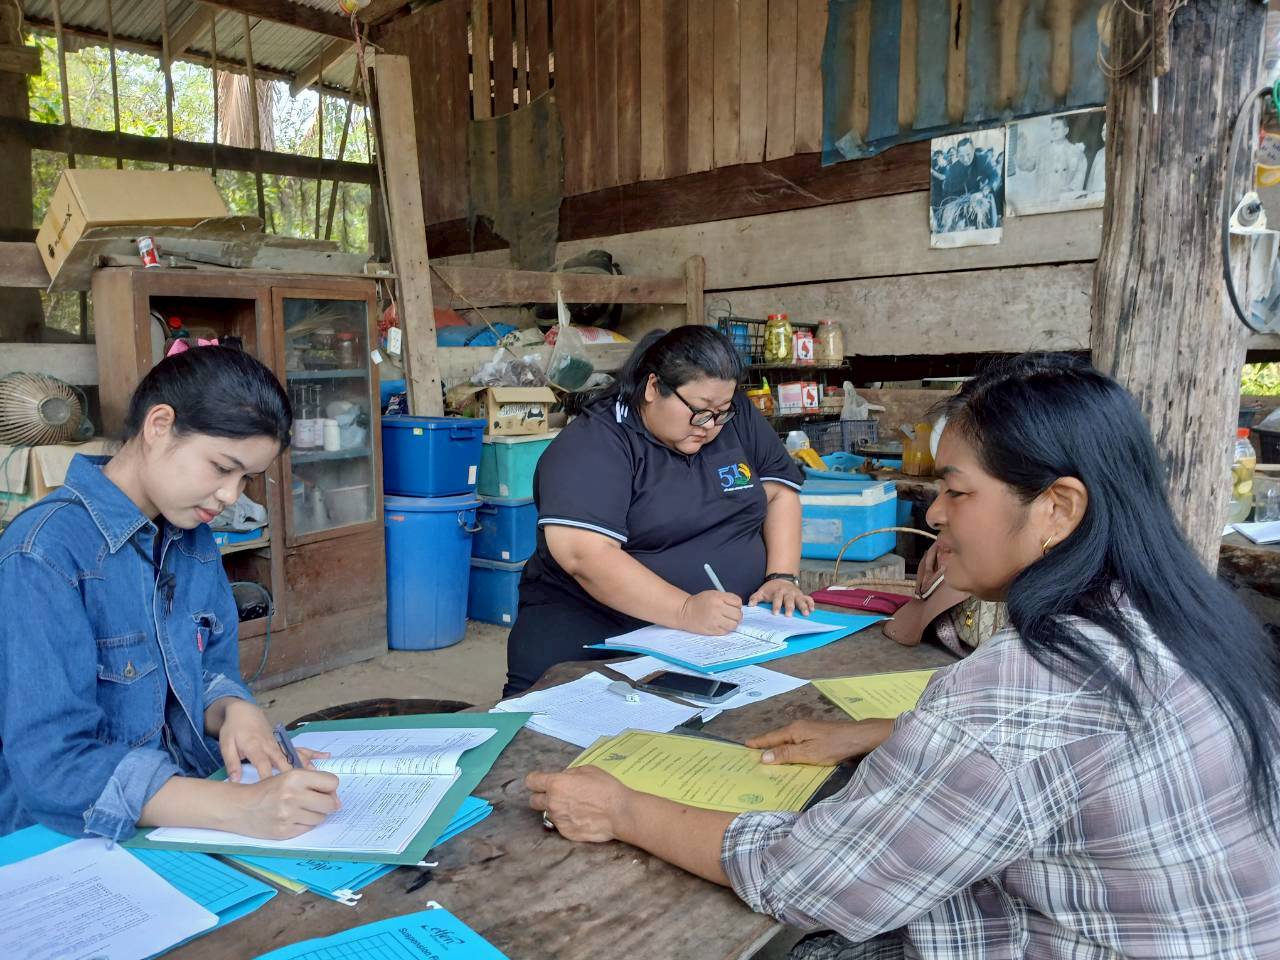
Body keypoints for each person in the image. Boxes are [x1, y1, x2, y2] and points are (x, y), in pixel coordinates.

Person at [526, 354, 1280, 958]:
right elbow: (1077, 755)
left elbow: (817, 881)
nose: (935, 513)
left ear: (1058, 508)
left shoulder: (1019, 689)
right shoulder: (1179, 617)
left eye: (957, 491)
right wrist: (879, 733)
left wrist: (621, 807)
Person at [0, 345, 341, 841]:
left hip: (174, 811)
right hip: (59, 842)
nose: (231, 496)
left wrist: (234, 712)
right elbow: (56, 768)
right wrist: (238, 806)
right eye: (222, 467)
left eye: (246, 477)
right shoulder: (43, 554)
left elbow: (205, 671)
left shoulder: (191, 537)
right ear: (158, 425)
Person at [504, 326, 809, 696]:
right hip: (597, 639)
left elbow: (779, 496)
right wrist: (684, 610)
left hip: (722, 639)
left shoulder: (731, 415)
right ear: (652, 388)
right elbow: (584, 555)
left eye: (721, 413)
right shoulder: (595, 443)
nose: (710, 426)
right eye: (699, 412)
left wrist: (782, 576)